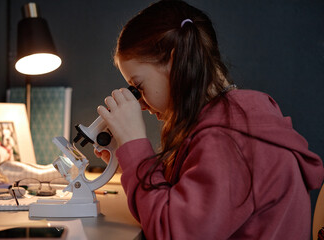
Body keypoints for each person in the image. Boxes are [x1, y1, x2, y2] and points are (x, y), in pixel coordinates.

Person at [94, 0, 324, 239]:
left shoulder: (231, 141)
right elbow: (179, 200)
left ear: (174, 61)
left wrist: (135, 145)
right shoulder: (236, 119)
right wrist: (129, 162)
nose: (140, 103)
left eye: (138, 87)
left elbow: (172, 231)